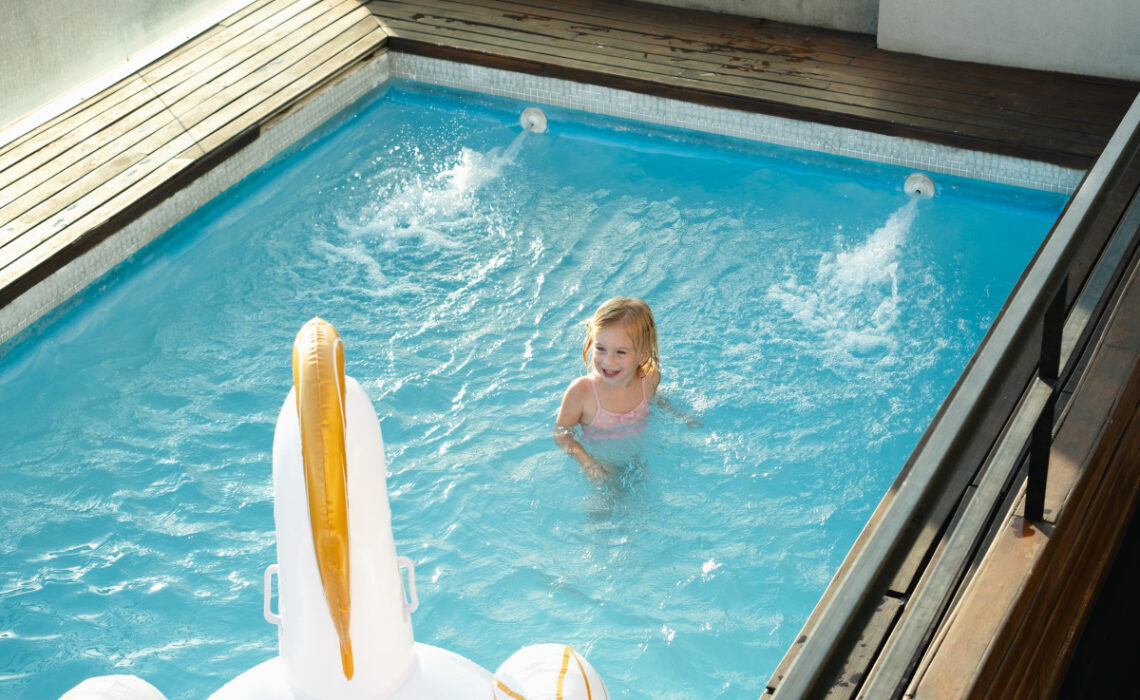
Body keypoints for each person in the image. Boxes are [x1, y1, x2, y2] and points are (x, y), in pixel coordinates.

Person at [554, 297, 661, 480]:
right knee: (603, 504)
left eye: (621, 352)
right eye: (600, 348)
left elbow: (658, 400)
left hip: (636, 455)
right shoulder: (581, 392)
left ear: (643, 356)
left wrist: (681, 415)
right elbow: (562, 434)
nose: (608, 361)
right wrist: (587, 462)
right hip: (601, 462)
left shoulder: (649, 379)